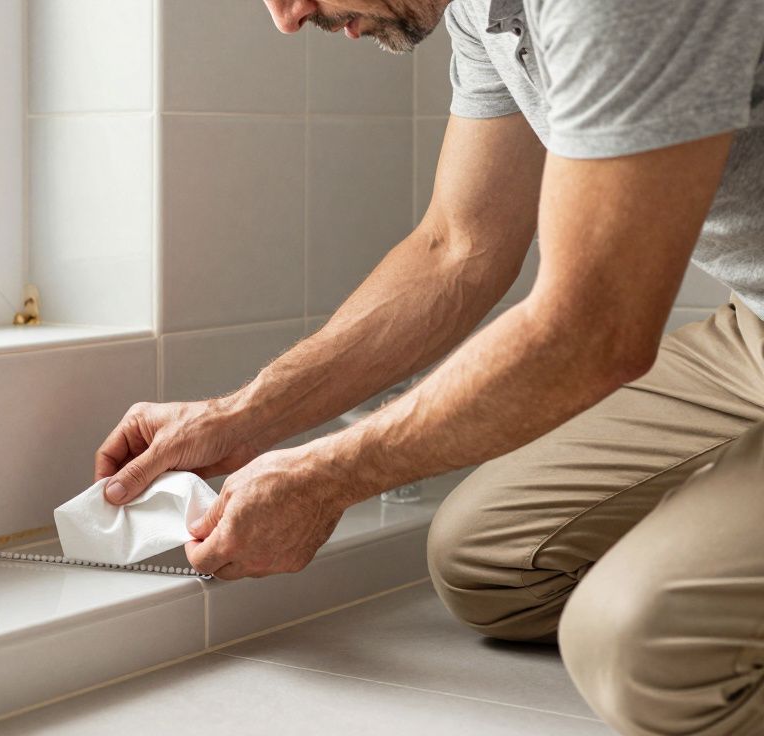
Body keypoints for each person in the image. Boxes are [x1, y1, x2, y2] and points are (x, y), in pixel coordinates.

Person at [93, 1, 764, 733]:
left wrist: (328, 476)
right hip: (752, 333)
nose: (285, 17)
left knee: (647, 650)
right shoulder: (482, 9)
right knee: (488, 564)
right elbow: (457, 247)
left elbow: (594, 327)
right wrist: (239, 416)